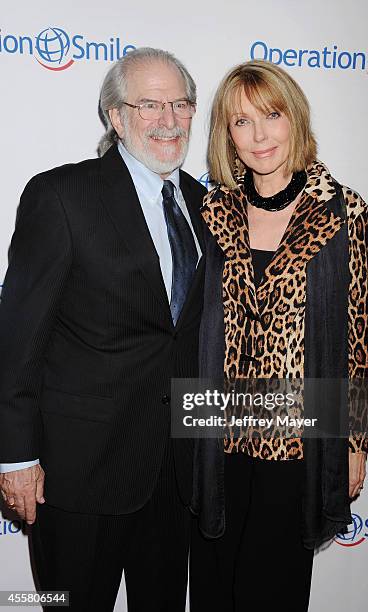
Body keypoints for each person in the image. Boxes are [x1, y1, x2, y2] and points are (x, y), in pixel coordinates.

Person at [0, 47, 206, 611]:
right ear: (116, 117)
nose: (169, 119)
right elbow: (18, 339)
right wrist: (15, 457)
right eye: (150, 104)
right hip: (78, 473)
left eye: (181, 103)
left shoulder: (202, 202)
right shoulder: (61, 196)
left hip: (173, 475)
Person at [190, 59, 368, 611]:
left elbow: (358, 336)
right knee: (215, 589)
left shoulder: (341, 211)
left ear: (294, 118)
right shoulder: (210, 209)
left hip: (295, 436)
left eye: (270, 115)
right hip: (214, 434)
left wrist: (356, 438)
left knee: (272, 589)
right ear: (227, 134)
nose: (259, 135)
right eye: (241, 122)